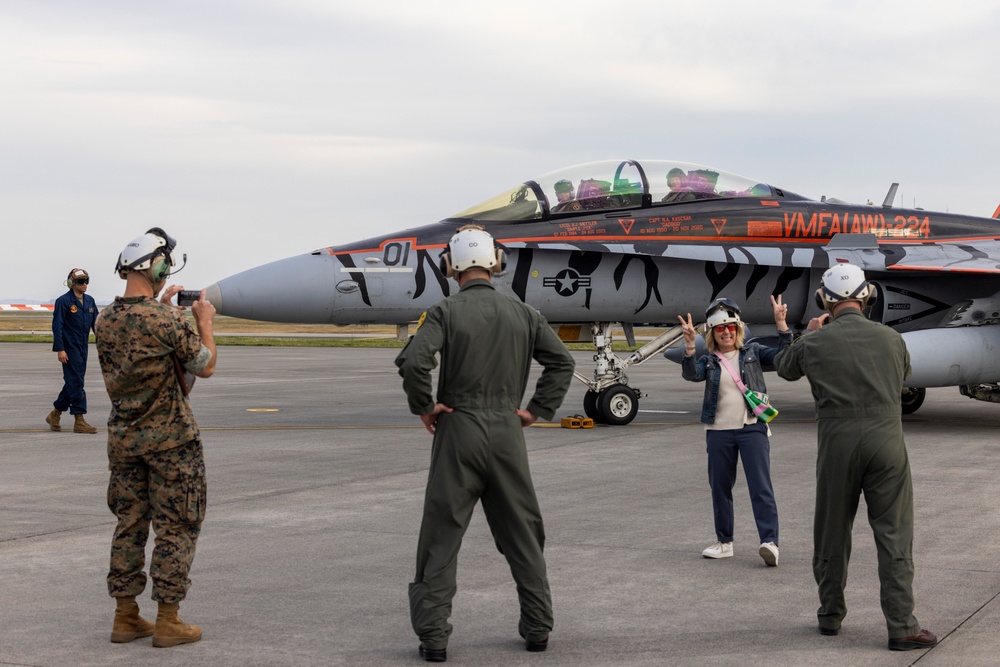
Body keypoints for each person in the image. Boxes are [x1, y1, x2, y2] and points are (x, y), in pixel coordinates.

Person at [395, 224, 575, 662]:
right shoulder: (525, 313)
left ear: (451, 266)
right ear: (496, 262)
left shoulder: (443, 311)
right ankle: (538, 629)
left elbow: (415, 361)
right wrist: (535, 410)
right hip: (507, 431)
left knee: (441, 537)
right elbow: (562, 362)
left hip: (458, 429)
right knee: (523, 535)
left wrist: (425, 406)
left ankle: (434, 638)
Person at [774, 263, 937, 651]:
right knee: (894, 535)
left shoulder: (814, 342)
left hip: (837, 442)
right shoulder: (891, 338)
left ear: (824, 300)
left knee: (832, 530)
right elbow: (903, 377)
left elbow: (784, 369)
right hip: (886, 440)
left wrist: (797, 335)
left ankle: (830, 615)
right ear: (867, 296)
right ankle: (902, 626)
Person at [94, 227, 217, 648]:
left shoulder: (104, 318)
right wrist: (203, 323)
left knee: (129, 524)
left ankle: (125, 616)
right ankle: (168, 619)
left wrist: (163, 310)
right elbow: (204, 366)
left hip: (124, 441)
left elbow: (142, 344)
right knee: (178, 525)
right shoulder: (166, 319)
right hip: (171, 444)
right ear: (158, 265)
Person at [678, 295, 792, 565]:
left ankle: (769, 542)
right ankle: (724, 542)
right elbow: (691, 374)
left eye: (730, 328)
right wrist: (689, 346)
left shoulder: (752, 353)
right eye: (720, 329)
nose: (726, 332)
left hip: (751, 428)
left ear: (738, 329)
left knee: (760, 487)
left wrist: (781, 325)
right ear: (713, 333)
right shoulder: (708, 360)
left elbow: (782, 358)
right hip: (718, 432)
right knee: (720, 488)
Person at [46, 268, 99, 434]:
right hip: (69, 348)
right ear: (72, 283)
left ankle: (55, 413)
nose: (84, 284)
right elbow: (58, 326)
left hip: (83, 347)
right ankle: (79, 419)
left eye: (86, 281)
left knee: (74, 381)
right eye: (81, 281)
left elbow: (97, 325)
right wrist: (60, 349)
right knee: (76, 382)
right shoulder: (64, 301)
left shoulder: (90, 301)